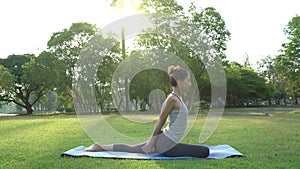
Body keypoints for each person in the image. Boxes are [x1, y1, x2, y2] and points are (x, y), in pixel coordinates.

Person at [84, 65, 209, 158]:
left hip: (166, 140)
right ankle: (99, 146)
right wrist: (152, 141)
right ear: (180, 82)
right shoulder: (172, 99)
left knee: (133, 149)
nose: (190, 84)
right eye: (188, 80)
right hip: (167, 144)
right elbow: (161, 120)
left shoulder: (178, 98)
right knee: (204, 151)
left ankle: (99, 146)